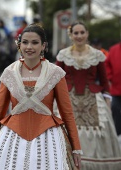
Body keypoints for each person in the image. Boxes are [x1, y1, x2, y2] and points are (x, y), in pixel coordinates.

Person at [0, 23, 82, 170]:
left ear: (43, 45)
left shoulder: (55, 73)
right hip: (12, 135)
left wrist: (76, 148)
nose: (29, 47)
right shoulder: (9, 73)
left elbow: (67, 113)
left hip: (48, 136)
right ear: (19, 45)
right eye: (25, 42)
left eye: (35, 42)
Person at [56, 21, 121, 170]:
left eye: (82, 32)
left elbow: (104, 82)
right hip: (68, 98)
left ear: (87, 34)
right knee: (65, 129)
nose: (79, 36)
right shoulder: (63, 55)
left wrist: (107, 102)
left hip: (93, 98)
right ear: (71, 35)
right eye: (76, 33)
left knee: (99, 131)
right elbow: (56, 78)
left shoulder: (97, 55)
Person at [105, 42, 121, 136]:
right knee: (115, 108)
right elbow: (107, 65)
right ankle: (117, 133)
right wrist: (111, 77)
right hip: (117, 89)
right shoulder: (113, 49)